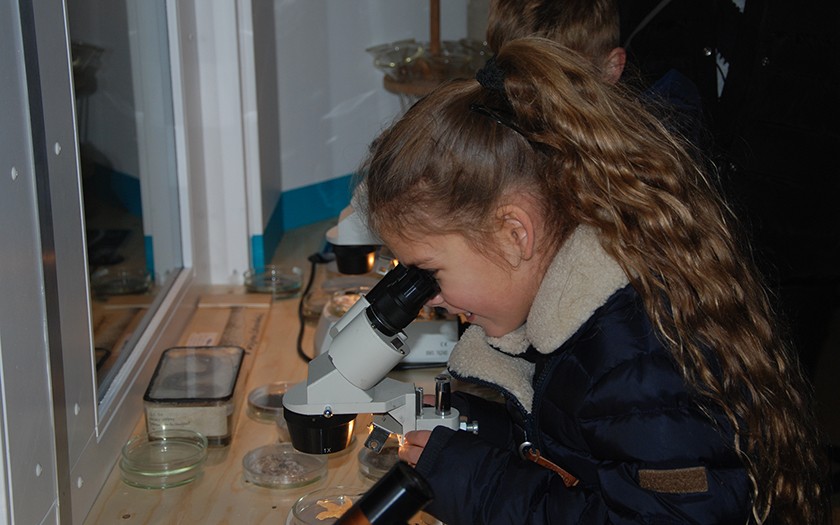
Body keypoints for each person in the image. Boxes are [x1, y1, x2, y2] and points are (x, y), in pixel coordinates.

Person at [355, 37, 828, 524]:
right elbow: (581, 444)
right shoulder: (586, 308)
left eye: (429, 273)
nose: (429, 301)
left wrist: (477, 484)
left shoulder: (636, 356)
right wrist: (475, 428)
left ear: (515, 233)